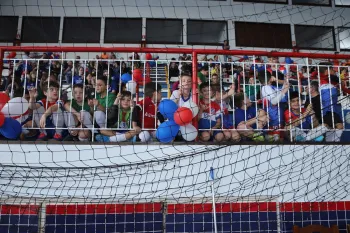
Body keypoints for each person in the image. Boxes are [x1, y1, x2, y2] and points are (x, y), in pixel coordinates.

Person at [258, 71, 289, 142]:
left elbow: (285, 86)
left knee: (280, 139)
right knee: (276, 140)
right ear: (270, 78)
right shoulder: (266, 88)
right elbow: (274, 101)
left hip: (278, 117)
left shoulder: (270, 87)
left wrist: (280, 81)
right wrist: (283, 91)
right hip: (273, 118)